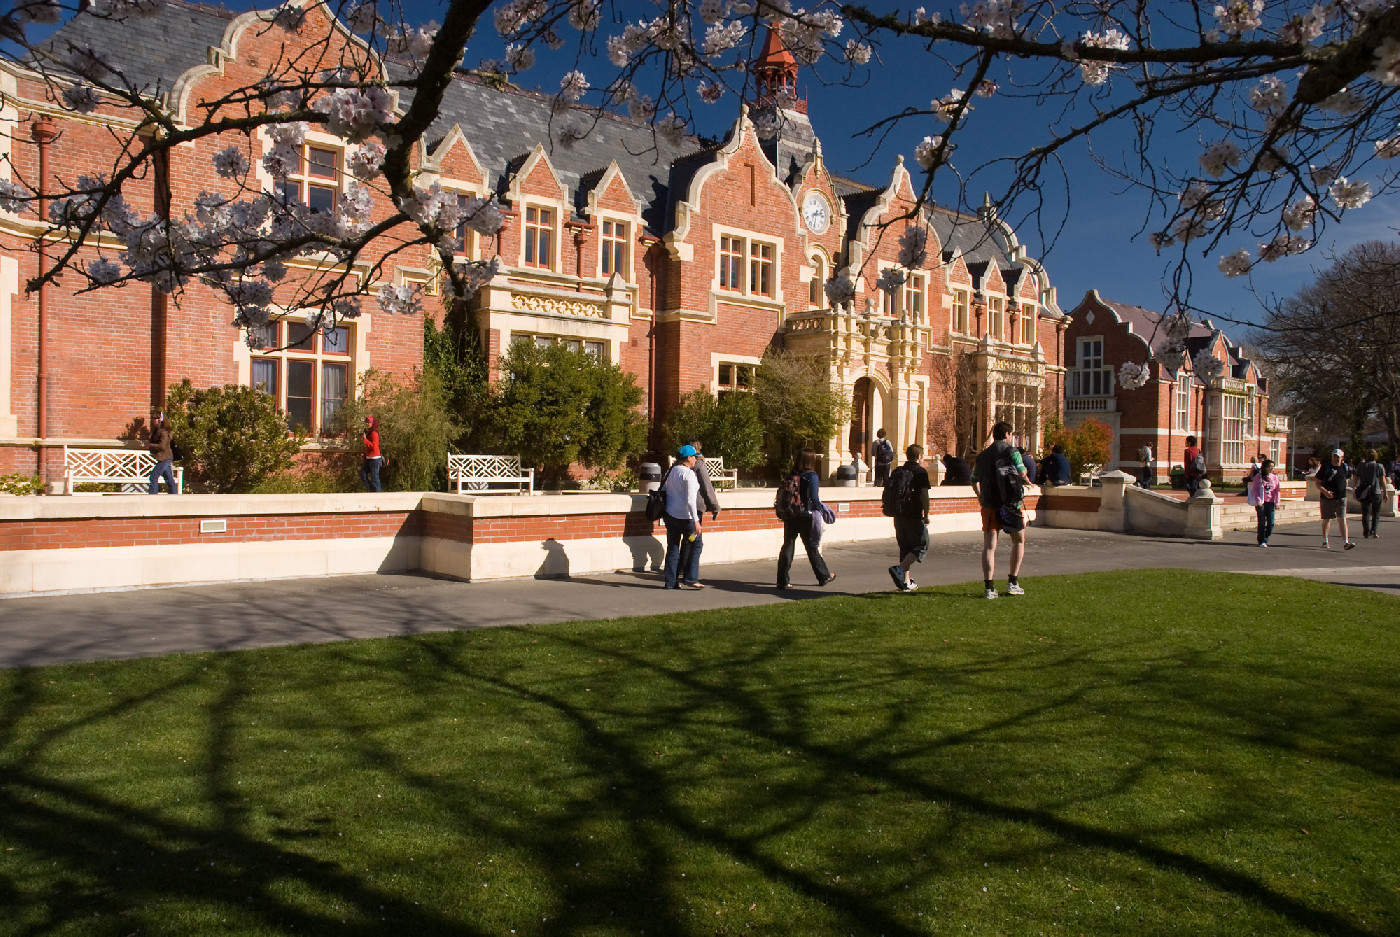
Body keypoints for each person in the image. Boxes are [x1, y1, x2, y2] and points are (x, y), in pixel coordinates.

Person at [970, 421, 1027, 599]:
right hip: (1011, 504)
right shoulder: (1012, 452)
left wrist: (980, 496)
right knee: (1018, 541)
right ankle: (1013, 582)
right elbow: (1022, 472)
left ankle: (989, 587)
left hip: (989, 504)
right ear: (1008, 434)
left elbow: (973, 479)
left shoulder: (983, 456)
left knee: (989, 546)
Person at [776, 448, 835, 589]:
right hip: (805, 515)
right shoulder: (811, 476)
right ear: (811, 460)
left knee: (788, 546)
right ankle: (824, 575)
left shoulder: (791, 474)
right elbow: (814, 498)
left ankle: (782, 580)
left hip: (790, 514)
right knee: (811, 547)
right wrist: (821, 510)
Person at [886, 444, 931, 592]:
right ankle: (899, 569)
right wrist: (927, 514)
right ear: (919, 456)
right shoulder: (920, 472)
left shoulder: (898, 471)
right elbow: (924, 495)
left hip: (898, 514)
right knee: (922, 545)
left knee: (905, 547)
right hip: (913, 514)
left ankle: (905, 582)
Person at [678, 437, 720, 584]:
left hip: (681, 507)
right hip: (696, 508)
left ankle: (681, 568)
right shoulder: (700, 464)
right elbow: (707, 487)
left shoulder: (679, 466)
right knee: (694, 540)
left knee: (688, 539)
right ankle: (689, 574)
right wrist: (715, 506)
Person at [662, 445, 703, 589]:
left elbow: (665, 490)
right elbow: (691, 500)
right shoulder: (689, 474)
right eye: (695, 457)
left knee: (673, 548)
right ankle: (691, 578)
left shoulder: (671, 471)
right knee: (695, 543)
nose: (696, 460)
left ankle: (670, 582)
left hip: (671, 517)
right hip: (687, 520)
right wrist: (696, 521)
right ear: (689, 458)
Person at [1315, 447, 1355, 550]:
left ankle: (1345, 542)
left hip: (1341, 497)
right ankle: (1325, 540)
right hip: (1326, 498)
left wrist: (1344, 489)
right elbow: (1317, 482)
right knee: (1327, 519)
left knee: (1342, 519)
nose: (1336, 459)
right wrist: (1325, 492)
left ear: (1342, 458)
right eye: (1334, 456)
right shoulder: (1326, 467)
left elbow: (1346, 480)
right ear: (1332, 456)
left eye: (1338, 457)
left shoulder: (1344, 468)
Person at [1355, 448, 1386, 539]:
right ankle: (1374, 531)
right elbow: (1382, 481)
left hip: (1364, 491)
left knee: (1365, 513)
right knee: (1376, 513)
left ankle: (1366, 532)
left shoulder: (1361, 466)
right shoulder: (1379, 466)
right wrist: (1385, 492)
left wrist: (1354, 488)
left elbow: (1355, 477)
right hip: (1375, 491)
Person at [1250, 458, 1281, 547]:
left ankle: (1266, 537)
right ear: (1265, 467)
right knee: (1262, 522)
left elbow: (1277, 490)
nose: (1272, 469)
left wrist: (1277, 502)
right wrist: (1258, 499)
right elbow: (1255, 489)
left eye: (1273, 467)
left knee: (1271, 522)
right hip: (1261, 502)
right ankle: (1261, 540)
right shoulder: (1258, 477)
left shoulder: (1274, 477)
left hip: (1270, 502)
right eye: (1270, 467)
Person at [146, 411, 179, 494]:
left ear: (160, 420)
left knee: (153, 477)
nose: (153, 420)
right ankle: (174, 495)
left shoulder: (163, 432)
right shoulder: (156, 431)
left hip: (165, 458)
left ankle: (152, 497)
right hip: (163, 458)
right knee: (169, 479)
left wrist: (151, 445)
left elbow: (162, 446)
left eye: (155, 418)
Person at [360, 415, 384, 492]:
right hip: (368, 458)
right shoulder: (369, 432)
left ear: (372, 423)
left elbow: (374, 446)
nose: (367, 424)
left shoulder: (374, 433)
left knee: (375, 478)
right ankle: (372, 491)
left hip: (375, 459)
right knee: (362, 474)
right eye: (366, 422)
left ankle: (378, 494)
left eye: (369, 422)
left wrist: (365, 440)